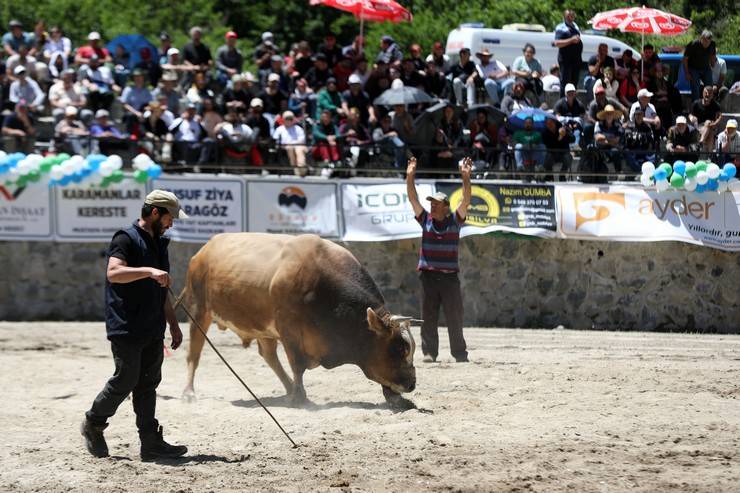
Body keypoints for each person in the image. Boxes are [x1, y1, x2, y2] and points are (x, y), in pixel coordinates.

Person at [81, 190, 188, 461]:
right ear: (155, 213)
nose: (171, 224)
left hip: (153, 326)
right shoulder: (125, 238)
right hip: (126, 324)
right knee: (126, 379)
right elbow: (113, 273)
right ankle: (94, 423)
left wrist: (173, 324)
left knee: (148, 383)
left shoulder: (160, 245)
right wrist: (149, 271)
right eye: (169, 218)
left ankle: (150, 443)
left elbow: (161, 290)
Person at [406, 156, 471, 363]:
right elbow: (413, 199)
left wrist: (466, 178)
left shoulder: (455, 220)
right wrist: (410, 177)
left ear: (446, 207)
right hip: (428, 277)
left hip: (450, 278)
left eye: (436, 204)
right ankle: (429, 353)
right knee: (428, 317)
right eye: (431, 204)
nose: (432, 207)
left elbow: (466, 200)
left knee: (455, 317)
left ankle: (459, 354)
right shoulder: (425, 220)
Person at [553, 9, 583, 97]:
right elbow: (557, 43)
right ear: (564, 17)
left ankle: (572, 101)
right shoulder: (560, 27)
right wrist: (571, 40)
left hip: (576, 60)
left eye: (572, 16)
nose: (570, 18)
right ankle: (563, 101)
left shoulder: (576, 26)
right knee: (565, 82)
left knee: (574, 82)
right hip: (566, 60)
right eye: (568, 16)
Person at [683, 30, 716, 102]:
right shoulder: (693, 44)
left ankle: (709, 105)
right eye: (705, 41)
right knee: (696, 88)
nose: (707, 44)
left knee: (709, 87)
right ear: (701, 38)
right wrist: (687, 73)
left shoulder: (712, 44)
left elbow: (713, 55)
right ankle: (696, 105)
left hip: (706, 68)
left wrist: (713, 63)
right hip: (694, 68)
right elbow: (685, 59)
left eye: (708, 42)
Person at [272, 110, 307, 175]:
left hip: (298, 145)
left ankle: (302, 169)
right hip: (285, 147)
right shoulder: (279, 129)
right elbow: (276, 141)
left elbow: (302, 139)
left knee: (299, 150)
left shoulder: (298, 128)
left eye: (290, 119)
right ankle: (295, 169)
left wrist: (294, 143)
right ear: (283, 119)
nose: (288, 120)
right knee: (290, 148)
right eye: (287, 119)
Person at [689, 85, 722, 153]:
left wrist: (715, 123)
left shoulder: (716, 105)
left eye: (710, 93)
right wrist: (691, 118)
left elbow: (720, 116)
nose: (707, 95)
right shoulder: (696, 103)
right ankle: (710, 155)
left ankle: (700, 143)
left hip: (713, 125)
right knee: (710, 132)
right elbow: (690, 114)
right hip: (700, 126)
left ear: (712, 95)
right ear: (703, 93)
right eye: (706, 93)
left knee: (708, 123)